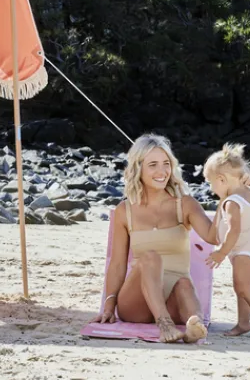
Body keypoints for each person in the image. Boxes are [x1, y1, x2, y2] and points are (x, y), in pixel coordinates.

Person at [92, 134, 219, 343]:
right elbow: (116, 264)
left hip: (173, 300)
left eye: (166, 164)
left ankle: (194, 327)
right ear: (138, 168)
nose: (162, 172)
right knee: (151, 257)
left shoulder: (185, 204)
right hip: (136, 302)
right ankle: (164, 324)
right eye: (153, 165)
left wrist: (228, 201)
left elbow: (213, 237)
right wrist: (108, 305)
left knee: (185, 284)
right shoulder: (125, 210)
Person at [202, 143, 250, 341]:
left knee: (244, 288)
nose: (211, 188)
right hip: (246, 246)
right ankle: (243, 323)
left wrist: (221, 252)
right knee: (240, 286)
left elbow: (233, 231)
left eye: (211, 183)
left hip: (245, 249)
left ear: (222, 179)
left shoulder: (232, 202)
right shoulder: (248, 191)